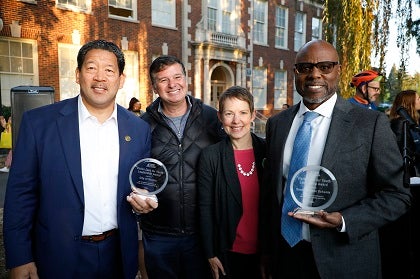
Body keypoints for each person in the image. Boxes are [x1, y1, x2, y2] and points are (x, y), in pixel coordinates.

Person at [3, 39, 157, 279]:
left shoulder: (138, 129)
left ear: (121, 79)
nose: (100, 77)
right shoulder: (39, 124)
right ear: (78, 74)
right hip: (57, 256)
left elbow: (140, 185)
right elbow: (20, 195)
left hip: (116, 255)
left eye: (109, 70)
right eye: (91, 68)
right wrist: (20, 257)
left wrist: (144, 200)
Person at [260, 39, 411, 279]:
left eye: (325, 67)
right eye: (305, 67)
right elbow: (271, 193)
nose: (315, 75)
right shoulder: (278, 124)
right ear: (296, 72)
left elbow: (397, 195)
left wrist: (344, 220)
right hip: (286, 257)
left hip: (344, 260)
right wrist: (267, 251)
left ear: (338, 70)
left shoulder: (370, 124)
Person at [140, 55, 225, 279]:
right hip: (159, 234)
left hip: (203, 233)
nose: (172, 84)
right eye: (163, 80)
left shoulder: (211, 118)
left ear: (186, 80)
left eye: (177, 77)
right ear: (155, 87)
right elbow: (132, 175)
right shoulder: (141, 125)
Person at [197, 86, 266, 279]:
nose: (236, 121)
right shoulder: (211, 156)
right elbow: (205, 208)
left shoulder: (268, 151)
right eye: (229, 113)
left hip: (264, 253)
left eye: (243, 113)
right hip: (227, 253)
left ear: (253, 115)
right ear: (220, 117)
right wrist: (210, 253)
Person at [381, 89, 420, 278]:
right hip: (406, 183)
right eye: (418, 98)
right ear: (410, 102)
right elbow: (398, 156)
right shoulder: (400, 125)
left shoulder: (412, 124)